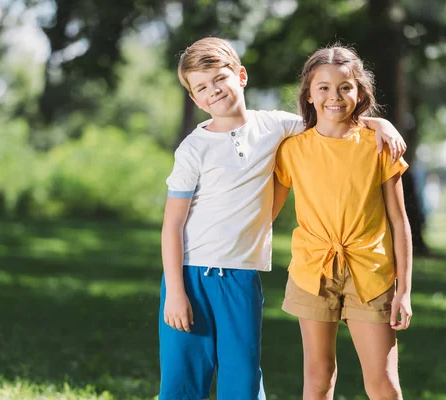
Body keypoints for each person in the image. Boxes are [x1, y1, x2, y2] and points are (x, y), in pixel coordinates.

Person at [159, 37, 407, 400]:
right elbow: (172, 224)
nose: (213, 91)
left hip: (243, 272)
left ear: (240, 76)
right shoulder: (194, 149)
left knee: (241, 380)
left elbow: (332, 116)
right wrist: (175, 291)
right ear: (194, 98)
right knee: (184, 378)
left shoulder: (276, 127)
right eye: (201, 87)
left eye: (219, 79)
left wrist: (377, 123)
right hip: (191, 271)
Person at [272, 44, 413, 400]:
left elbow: (399, 220)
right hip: (312, 272)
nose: (334, 96)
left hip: (372, 272)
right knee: (318, 381)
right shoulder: (292, 149)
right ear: (308, 93)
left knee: (384, 386)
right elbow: (264, 211)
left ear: (360, 92)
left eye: (345, 87)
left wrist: (404, 290)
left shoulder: (379, 145)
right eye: (323, 87)